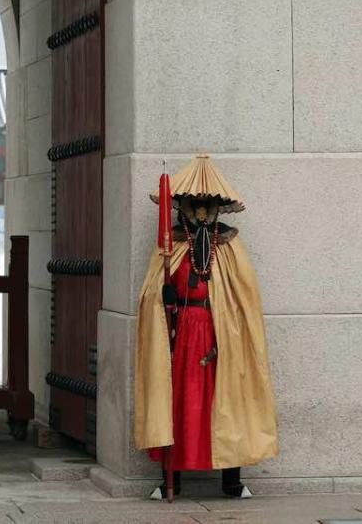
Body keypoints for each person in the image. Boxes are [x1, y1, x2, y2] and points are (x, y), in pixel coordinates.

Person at [135, 155, 277, 500]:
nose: (199, 211)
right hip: (181, 333)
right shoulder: (171, 247)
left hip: (221, 331)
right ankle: (171, 479)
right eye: (193, 205)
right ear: (182, 206)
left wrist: (228, 324)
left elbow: (242, 297)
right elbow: (151, 294)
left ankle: (232, 480)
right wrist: (163, 296)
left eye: (205, 205)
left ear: (214, 207)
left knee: (229, 398)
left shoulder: (229, 246)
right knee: (179, 401)